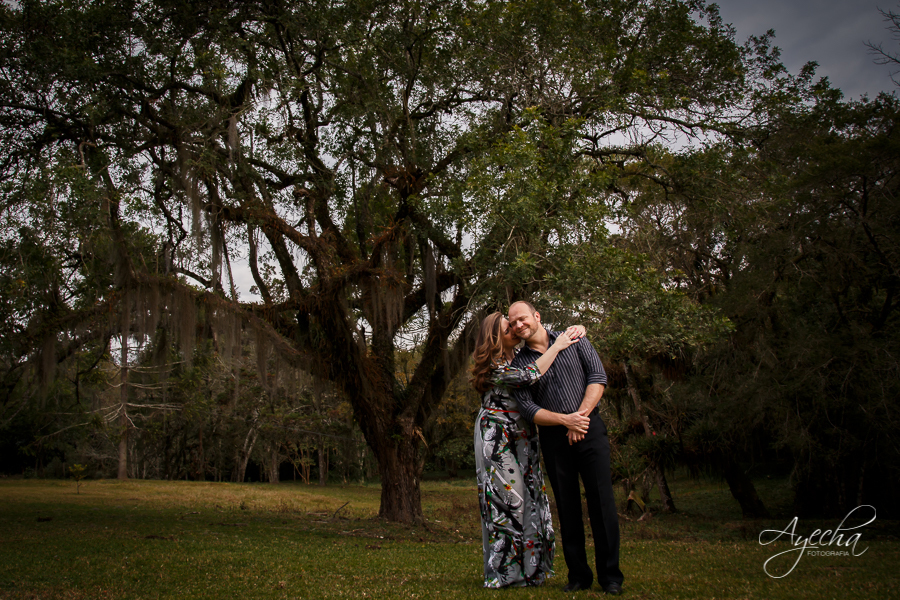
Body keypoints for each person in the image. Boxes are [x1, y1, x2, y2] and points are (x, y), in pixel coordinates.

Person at [507, 301, 624, 595]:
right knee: (567, 506)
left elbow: (597, 377)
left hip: (589, 428)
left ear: (536, 316)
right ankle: (579, 575)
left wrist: (579, 419)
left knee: (602, 502)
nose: (518, 325)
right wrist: (564, 421)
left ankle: (610, 576)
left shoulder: (574, 338)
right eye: (513, 323)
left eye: (522, 318)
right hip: (554, 437)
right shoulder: (520, 364)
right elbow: (528, 408)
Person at [470, 312, 592, 589]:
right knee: (508, 500)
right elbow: (528, 376)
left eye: (514, 326)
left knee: (532, 497)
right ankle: (505, 573)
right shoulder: (494, 366)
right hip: (498, 435)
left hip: (524, 432)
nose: (515, 330)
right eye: (507, 329)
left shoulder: (519, 356)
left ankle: (531, 570)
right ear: (494, 337)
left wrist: (576, 329)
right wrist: (557, 346)